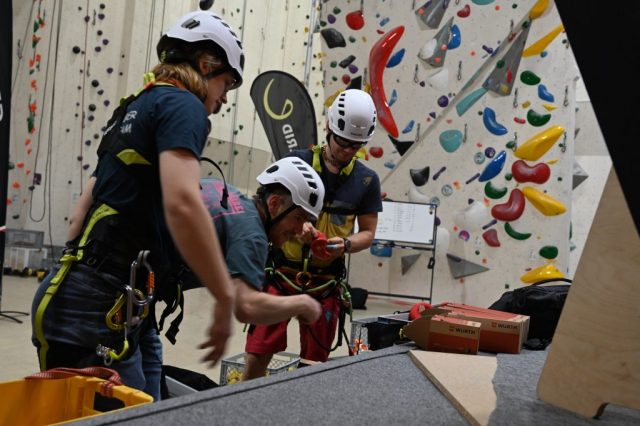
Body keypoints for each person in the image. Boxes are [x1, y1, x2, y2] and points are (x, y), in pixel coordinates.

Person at [31, 10, 245, 401]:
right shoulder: (185, 106)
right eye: (226, 83)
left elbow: (80, 214)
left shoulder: (133, 106)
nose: (223, 99)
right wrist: (224, 293)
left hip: (92, 292)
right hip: (103, 302)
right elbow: (183, 202)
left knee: (150, 402)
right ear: (205, 64)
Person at [243, 89, 383, 380]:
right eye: (343, 142)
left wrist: (346, 244)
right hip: (282, 273)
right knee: (259, 350)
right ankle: (244, 400)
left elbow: (369, 233)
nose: (348, 150)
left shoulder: (367, 180)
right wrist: (299, 227)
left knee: (315, 363)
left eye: (356, 145)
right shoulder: (297, 161)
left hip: (326, 282)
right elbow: (272, 207)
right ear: (330, 127)